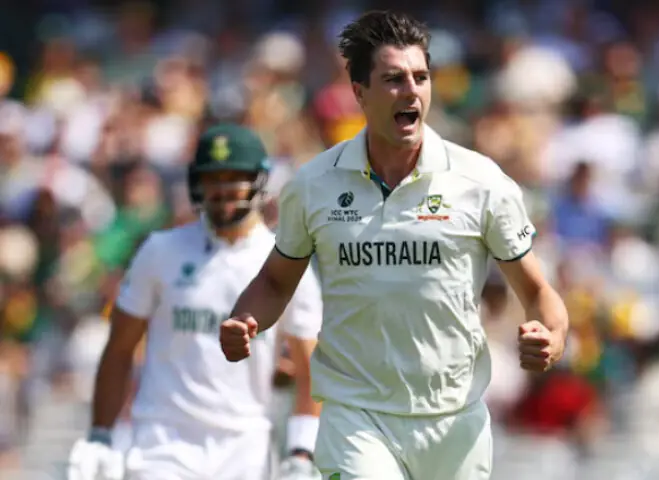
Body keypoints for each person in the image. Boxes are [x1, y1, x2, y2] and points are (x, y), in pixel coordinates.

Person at [220, 10, 570, 480]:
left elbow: (538, 293)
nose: (411, 90)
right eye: (393, 79)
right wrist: (247, 319)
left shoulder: (481, 181)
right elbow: (274, 282)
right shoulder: (313, 184)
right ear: (359, 92)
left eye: (421, 77)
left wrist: (552, 337)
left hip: (454, 419)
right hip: (354, 413)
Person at [68, 124, 324, 480]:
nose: (222, 189)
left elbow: (312, 367)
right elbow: (120, 348)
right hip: (162, 443)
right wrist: (100, 434)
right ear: (195, 183)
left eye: (234, 177)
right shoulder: (160, 251)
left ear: (259, 181)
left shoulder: (285, 262)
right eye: (212, 178)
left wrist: (301, 451)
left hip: (245, 447)